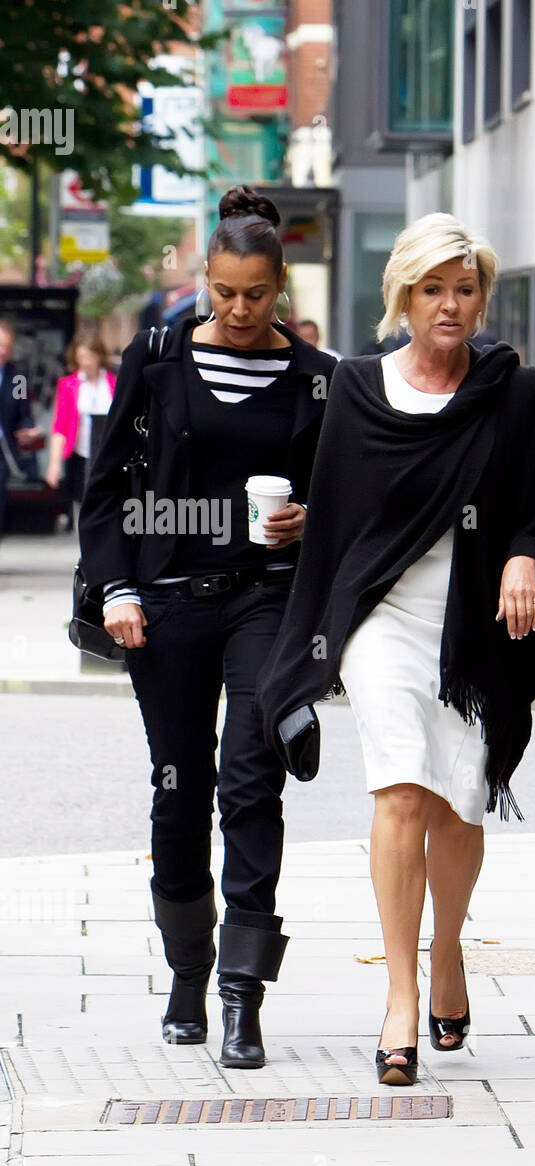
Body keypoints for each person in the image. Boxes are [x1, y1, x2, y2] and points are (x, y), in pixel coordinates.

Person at [257, 213, 535, 1086]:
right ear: (403, 294)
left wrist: (521, 557)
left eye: (465, 289)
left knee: (457, 806)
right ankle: (399, 996)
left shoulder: (510, 387)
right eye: (433, 289)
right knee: (399, 791)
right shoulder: (356, 388)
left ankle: (448, 949)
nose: (451, 305)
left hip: (473, 626)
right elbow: (350, 509)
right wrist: (306, 525)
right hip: (383, 622)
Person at [78, 185, 338, 1068]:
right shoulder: (157, 361)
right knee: (179, 791)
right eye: (220, 293)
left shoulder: (317, 379)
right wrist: (116, 587)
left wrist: (313, 518)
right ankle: (188, 972)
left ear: (280, 293)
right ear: (204, 281)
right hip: (167, 602)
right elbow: (107, 487)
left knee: (251, 779)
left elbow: (345, 497)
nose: (235, 310)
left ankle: (242, 993)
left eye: (254, 296)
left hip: (266, 599)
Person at [45, 331, 117, 531]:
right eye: (81, 357)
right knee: (82, 505)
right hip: (80, 455)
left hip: (106, 456)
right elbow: (59, 426)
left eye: (89, 357)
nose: (85, 362)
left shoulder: (113, 383)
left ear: (99, 356)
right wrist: (54, 463)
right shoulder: (68, 385)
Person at [0, 318, 46, 537]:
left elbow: (23, 413)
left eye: (7, 346)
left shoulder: (18, 376)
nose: (2, 351)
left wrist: (29, 430)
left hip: (3, 450)